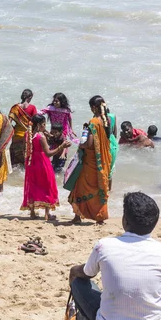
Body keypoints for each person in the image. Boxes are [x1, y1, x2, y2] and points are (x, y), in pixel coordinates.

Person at [68, 192, 161, 320]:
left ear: (124, 220)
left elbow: (87, 274)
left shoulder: (104, 245)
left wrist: (74, 270)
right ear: (154, 223)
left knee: (79, 283)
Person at [67, 95, 112, 224]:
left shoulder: (93, 122)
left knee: (79, 188)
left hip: (90, 162)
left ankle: (77, 217)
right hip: (102, 160)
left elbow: (89, 144)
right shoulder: (107, 120)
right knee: (98, 189)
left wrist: (80, 144)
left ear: (93, 108)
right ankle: (100, 217)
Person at [20, 115, 70, 220]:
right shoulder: (40, 137)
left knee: (33, 186)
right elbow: (48, 153)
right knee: (47, 186)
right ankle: (47, 214)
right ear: (38, 125)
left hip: (30, 163)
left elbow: (24, 150)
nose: (45, 126)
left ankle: (32, 212)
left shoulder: (27, 134)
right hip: (42, 163)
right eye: (43, 124)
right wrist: (61, 147)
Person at [39, 93, 73, 173]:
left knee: (62, 142)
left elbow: (69, 118)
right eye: (54, 101)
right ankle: (52, 162)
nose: (55, 103)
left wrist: (71, 129)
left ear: (62, 101)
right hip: (54, 129)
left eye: (57, 101)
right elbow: (41, 112)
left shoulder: (65, 110)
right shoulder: (51, 108)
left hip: (62, 130)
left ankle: (62, 156)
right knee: (53, 144)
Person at [8, 89, 38, 166]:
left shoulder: (15, 107)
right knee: (26, 158)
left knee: (14, 160)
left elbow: (8, 123)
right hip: (27, 136)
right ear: (30, 97)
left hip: (17, 135)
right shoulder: (32, 107)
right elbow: (36, 122)